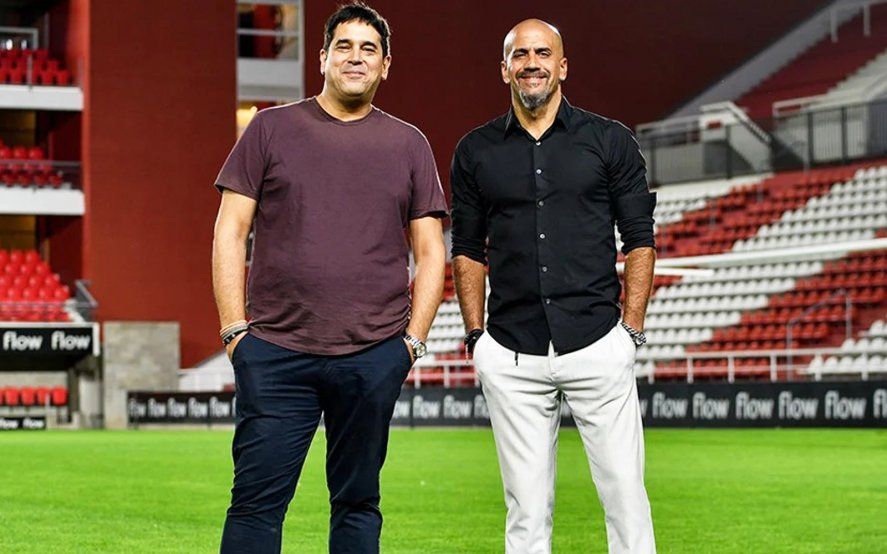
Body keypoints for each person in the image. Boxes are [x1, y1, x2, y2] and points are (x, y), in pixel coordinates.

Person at [211, 3, 447, 552]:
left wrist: (411, 343)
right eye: (344, 46)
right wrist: (234, 331)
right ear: (322, 58)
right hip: (275, 353)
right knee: (254, 504)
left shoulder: (409, 144)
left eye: (369, 49)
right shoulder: (270, 129)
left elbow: (431, 251)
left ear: (385, 65)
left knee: (358, 503)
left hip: (372, 355)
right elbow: (229, 231)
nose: (356, 57)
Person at [450, 18, 657, 554]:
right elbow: (467, 248)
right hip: (512, 352)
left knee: (627, 502)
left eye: (543, 53)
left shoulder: (610, 140)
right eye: (520, 55)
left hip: (597, 343)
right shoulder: (475, 151)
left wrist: (630, 331)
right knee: (525, 514)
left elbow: (639, 239)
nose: (532, 63)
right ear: (505, 69)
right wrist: (476, 338)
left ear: (562, 66)